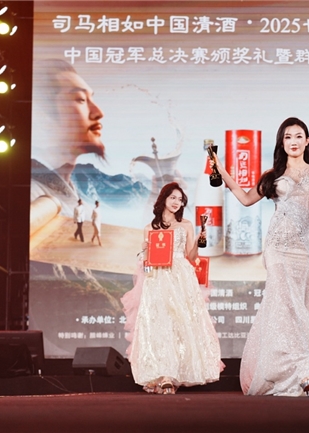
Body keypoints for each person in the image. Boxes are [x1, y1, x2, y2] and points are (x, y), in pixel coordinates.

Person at [213, 117, 309, 396]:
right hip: (278, 248)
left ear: (307, 141)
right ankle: (298, 371)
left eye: (298, 136)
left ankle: (301, 370)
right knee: (285, 306)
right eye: (287, 137)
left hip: (306, 250)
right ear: (281, 143)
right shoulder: (273, 175)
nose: (293, 141)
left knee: (304, 307)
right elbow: (246, 199)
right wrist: (223, 173)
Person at [120, 182, 222, 394]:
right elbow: (146, 263)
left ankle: (178, 373)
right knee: (160, 323)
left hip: (181, 276)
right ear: (164, 199)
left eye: (180, 199)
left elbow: (191, 256)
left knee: (182, 322)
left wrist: (200, 239)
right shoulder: (150, 228)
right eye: (173, 198)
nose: (176, 202)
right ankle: (163, 374)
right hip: (157, 278)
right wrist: (144, 252)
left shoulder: (185, 225)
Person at [31, 59, 105, 216]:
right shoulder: (30, 194)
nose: (98, 112)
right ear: (42, 118)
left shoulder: (77, 198)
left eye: (91, 98)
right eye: (81, 99)